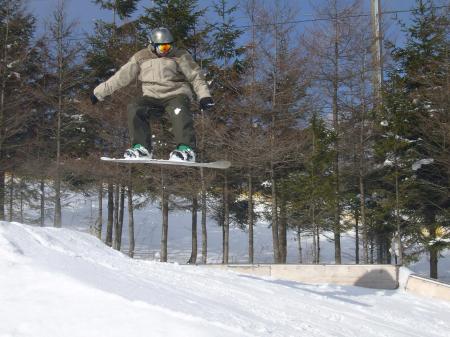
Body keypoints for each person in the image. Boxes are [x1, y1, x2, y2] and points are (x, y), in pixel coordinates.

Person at [90, 27, 214, 162]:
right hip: (151, 98)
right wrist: (99, 92)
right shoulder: (141, 57)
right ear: (153, 45)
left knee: (179, 109)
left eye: (169, 47)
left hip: (175, 94)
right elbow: (121, 77)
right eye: (163, 48)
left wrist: (204, 96)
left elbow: (196, 76)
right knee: (135, 107)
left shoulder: (180, 56)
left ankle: (186, 149)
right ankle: (142, 148)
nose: (166, 51)